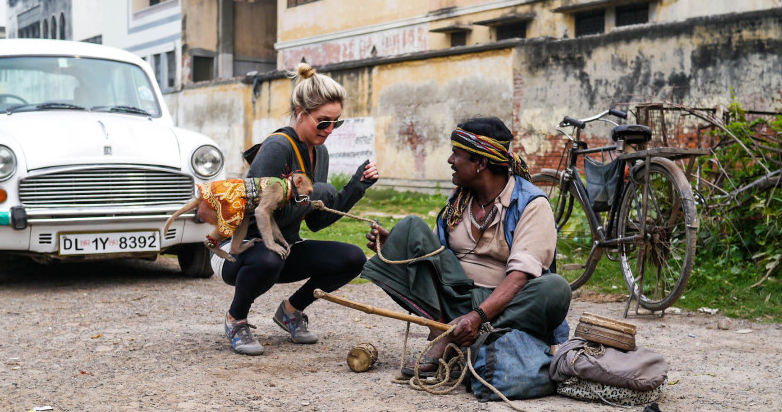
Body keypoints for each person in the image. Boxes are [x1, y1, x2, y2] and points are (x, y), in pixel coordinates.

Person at [361, 116, 571, 376]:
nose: (450, 161)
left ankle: (452, 339)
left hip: (505, 306)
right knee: (410, 228)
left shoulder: (531, 204)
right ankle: (444, 331)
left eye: (456, 154)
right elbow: (435, 259)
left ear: (481, 162)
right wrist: (396, 246)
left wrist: (477, 317)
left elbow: (519, 279)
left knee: (555, 288)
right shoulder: (458, 201)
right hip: (454, 300)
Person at [220, 62, 380, 355]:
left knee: (353, 258)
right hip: (245, 251)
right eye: (323, 122)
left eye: (336, 122)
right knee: (270, 258)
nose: (330, 130)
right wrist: (315, 193)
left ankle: (290, 311)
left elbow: (316, 220)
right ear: (300, 113)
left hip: (284, 248)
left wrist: (357, 186)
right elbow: (257, 216)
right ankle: (236, 319)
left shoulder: (320, 152)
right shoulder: (277, 148)